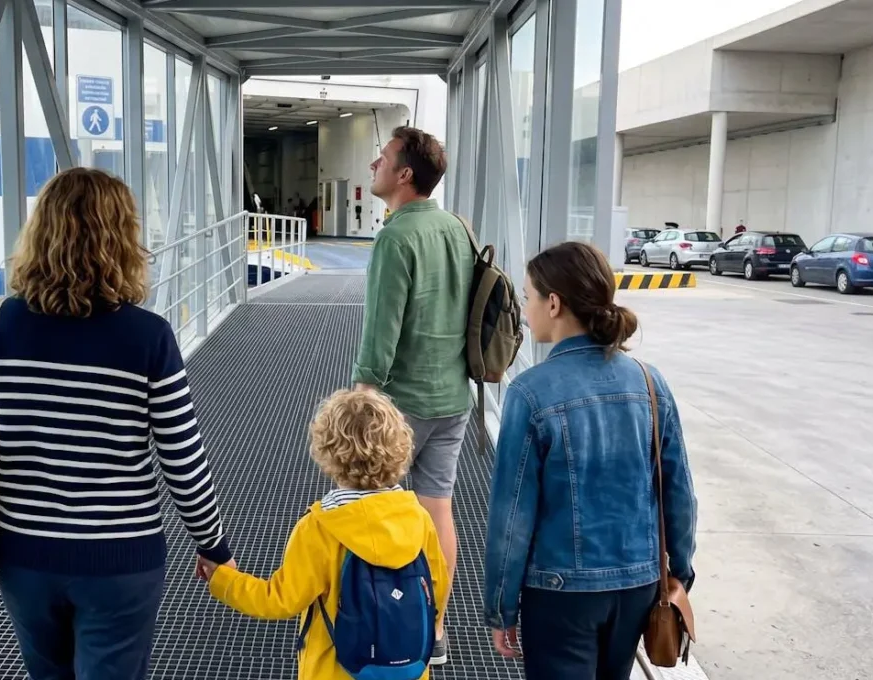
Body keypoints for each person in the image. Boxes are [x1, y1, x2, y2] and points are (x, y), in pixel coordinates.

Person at [0, 167, 235, 680]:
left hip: (25, 553)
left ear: (39, 233)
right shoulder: (149, 337)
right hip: (121, 559)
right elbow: (182, 460)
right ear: (121, 239)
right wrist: (213, 546)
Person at [482, 241, 698, 679]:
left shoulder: (530, 392)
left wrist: (501, 608)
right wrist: (680, 570)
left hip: (560, 592)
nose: (526, 309)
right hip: (638, 584)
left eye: (529, 297)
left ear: (554, 303)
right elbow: (678, 490)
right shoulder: (649, 381)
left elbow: (512, 517)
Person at [198, 389, 450, 680]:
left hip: (335, 671)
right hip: (408, 668)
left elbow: (279, 600)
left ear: (328, 453)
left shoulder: (319, 528)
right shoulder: (419, 518)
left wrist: (223, 578)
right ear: (401, 447)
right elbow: (437, 587)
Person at [352, 126, 472, 665]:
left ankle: (382, 623)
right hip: (453, 396)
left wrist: (362, 392)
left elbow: (383, 328)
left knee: (370, 509)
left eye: (384, 156)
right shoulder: (457, 229)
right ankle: (438, 627)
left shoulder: (397, 236)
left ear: (405, 174)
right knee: (437, 510)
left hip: (402, 401)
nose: (374, 163)